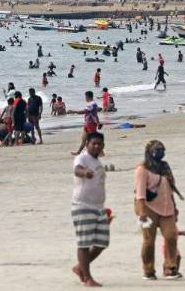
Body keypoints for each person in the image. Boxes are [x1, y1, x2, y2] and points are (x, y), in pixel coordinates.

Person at [134, 140, 184, 280]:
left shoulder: (165, 167)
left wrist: (174, 208)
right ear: (150, 152)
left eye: (163, 149)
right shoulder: (142, 169)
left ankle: (170, 268)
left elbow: (170, 188)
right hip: (148, 208)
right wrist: (142, 211)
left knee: (171, 236)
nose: (161, 152)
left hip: (166, 207)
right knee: (149, 241)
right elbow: (140, 192)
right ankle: (148, 270)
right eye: (158, 149)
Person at [71, 132, 108, 287]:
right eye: (94, 143)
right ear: (87, 144)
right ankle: (87, 278)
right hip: (83, 205)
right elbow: (77, 170)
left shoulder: (98, 161)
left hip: (99, 207)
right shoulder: (82, 158)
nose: (96, 146)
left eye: (99, 144)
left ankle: (80, 267)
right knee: (84, 243)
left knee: (102, 243)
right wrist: (85, 172)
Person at [71, 91, 102, 156]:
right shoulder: (92, 104)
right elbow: (95, 115)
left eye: (85, 96)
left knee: (93, 140)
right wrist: (98, 123)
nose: (85, 98)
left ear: (87, 96)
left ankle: (99, 152)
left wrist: (73, 111)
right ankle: (78, 152)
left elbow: (83, 111)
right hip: (87, 123)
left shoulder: (91, 104)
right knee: (84, 139)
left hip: (91, 124)